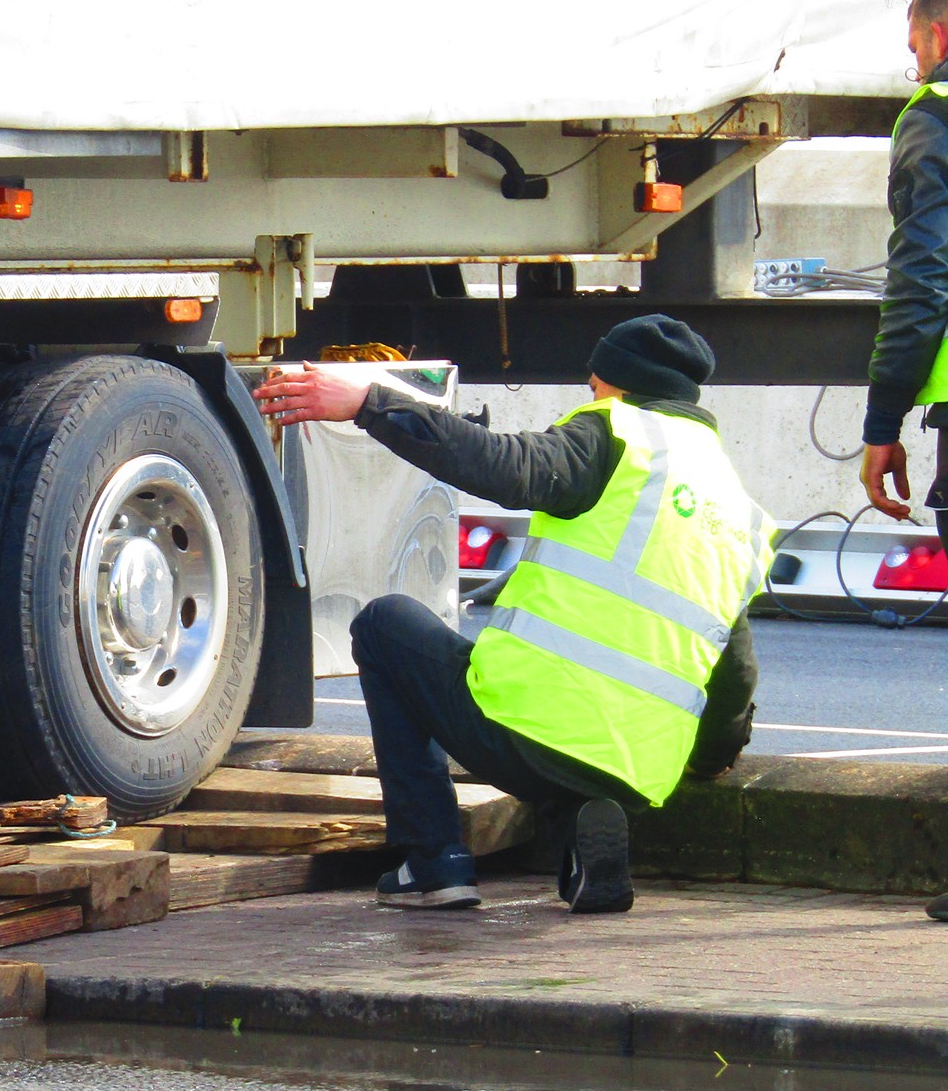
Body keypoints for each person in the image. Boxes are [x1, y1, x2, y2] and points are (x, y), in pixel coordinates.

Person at [254, 315, 773, 914]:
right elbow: (735, 671)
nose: (593, 395)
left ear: (616, 384)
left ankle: (433, 864)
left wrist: (370, 402)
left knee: (385, 625)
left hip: (526, 732)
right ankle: (583, 839)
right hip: (637, 770)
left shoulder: (616, 434)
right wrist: (712, 760)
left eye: (595, 385)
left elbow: (506, 465)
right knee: (575, 762)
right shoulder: (737, 507)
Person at [856, 0, 948, 922]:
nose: (911, 59)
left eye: (915, 40)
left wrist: (882, 423)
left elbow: (921, 281)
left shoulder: (936, 119)